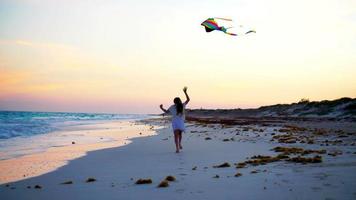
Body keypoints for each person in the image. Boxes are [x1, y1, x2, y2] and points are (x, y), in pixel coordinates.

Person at [160, 87, 190, 153]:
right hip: (181, 122)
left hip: (175, 122)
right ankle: (179, 144)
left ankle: (177, 148)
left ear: (174, 102)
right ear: (180, 101)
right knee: (180, 134)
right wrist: (185, 92)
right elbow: (188, 99)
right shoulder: (182, 105)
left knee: (176, 135)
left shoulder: (173, 106)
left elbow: (166, 112)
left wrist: (161, 108)